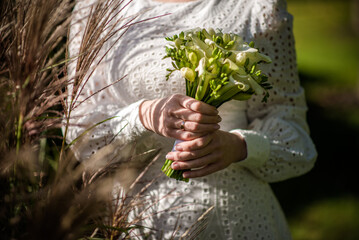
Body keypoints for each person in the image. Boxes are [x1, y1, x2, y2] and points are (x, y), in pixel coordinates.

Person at [67, 0, 317, 239]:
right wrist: (142, 116)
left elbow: (294, 135)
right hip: (137, 221)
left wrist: (239, 146)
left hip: (237, 220)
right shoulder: (96, 6)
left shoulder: (258, 7)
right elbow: (80, 135)